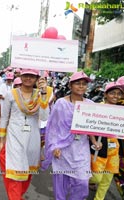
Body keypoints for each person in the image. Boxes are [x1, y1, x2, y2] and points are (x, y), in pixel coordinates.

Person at [0, 69, 49, 200]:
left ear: (36, 78)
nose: (28, 78)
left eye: (32, 76)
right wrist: (1, 140)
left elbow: (43, 117)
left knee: (27, 173)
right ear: (21, 76)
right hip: (14, 137)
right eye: (26, 75)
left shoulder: (41, 94)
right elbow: (4, 118)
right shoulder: (11, 94)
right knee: (15, 173)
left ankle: (18, 196)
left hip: (32, 138)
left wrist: (43, 94)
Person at [42, 71, 95, 200]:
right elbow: (53, 127)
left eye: (84, 84)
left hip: (81, 149)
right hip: (63, 149)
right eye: (78, 84)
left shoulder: (90, 105)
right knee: (61, 183)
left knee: (82, 183)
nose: (81, 86)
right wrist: (55, 146)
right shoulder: (61, 103)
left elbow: (92, 128)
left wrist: (94, 141)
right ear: (70, 86)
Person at [88, 82, 122, 200]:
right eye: (112, 93)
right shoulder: (97, 107)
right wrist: (93, 141)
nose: (115, 96)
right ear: (106, 94)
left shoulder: (121, 110)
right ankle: (81, 181)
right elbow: (88, 126)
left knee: (107, 179)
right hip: (99, 147)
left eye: (119, 94)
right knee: (96, 177)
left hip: (114, 150)